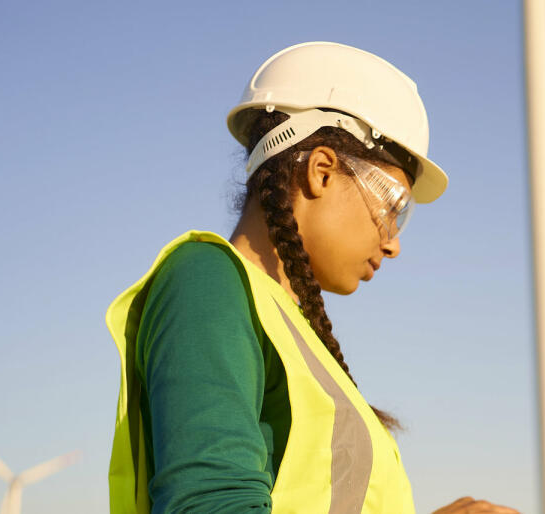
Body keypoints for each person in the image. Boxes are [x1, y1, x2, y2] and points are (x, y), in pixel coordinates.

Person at [104, 42, 519, 514]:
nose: (393, 244)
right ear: (321, 172)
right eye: (393, 210)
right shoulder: (208, 281)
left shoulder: (290, 327)